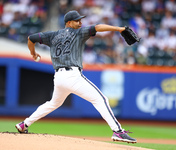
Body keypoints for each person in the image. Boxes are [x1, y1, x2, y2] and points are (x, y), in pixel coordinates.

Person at [15, 10, 137, 143]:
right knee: (101, 100)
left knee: (53, 104)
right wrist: (119, 29)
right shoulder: (79, 33)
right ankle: (118, 131)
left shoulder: (52, 35)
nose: (80, 23)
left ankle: (24, 124)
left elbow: (31, 38)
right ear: (68, 23)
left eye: (80, 20)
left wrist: (33, 53)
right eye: (77, 20)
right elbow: (97, 27)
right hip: (72, 75)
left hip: (59, 78)